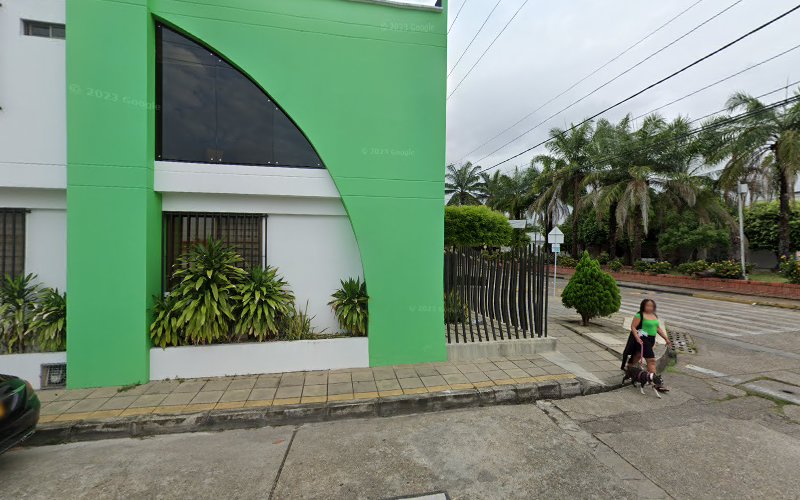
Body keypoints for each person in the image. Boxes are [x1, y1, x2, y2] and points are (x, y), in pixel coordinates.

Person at [623, 298, 672, 389]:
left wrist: (666, 338)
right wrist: (637, 338)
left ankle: (628, 369)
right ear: (643, 306)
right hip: (642, 339)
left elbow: (657, 329)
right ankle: (656, 382)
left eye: (652, 306)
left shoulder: (654, 315)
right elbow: (633, 327)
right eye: (647, 305)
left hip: (651, 339)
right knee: (651, 360)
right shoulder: (639, 315)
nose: (650, 307)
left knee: (637, 356)